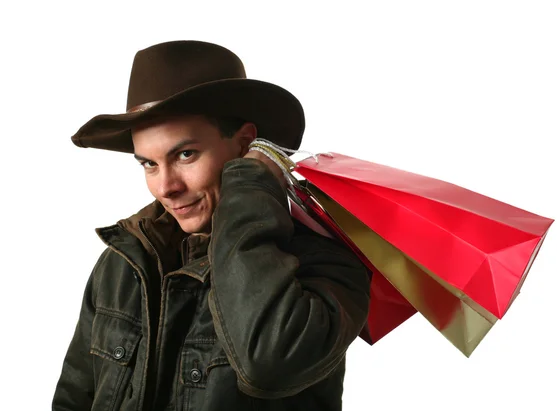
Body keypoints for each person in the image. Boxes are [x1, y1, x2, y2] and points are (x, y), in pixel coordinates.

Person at [52, 40, 371, 411]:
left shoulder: (325, 266)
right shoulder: (124, 263)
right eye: (149, 164)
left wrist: (250, 184)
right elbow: (74, 399)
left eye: (185, 154)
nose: (166, 187)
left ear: (244, 146)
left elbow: (267, 365)